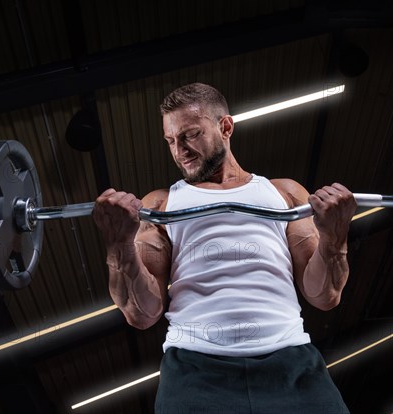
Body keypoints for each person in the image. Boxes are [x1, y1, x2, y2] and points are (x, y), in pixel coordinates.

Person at [93, 83, 356, 413]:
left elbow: (324, 296)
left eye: (190, 135)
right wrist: (119, 246)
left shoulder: (284, 194)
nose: (179, 151)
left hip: (291, 364)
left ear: (225, 127)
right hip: (194, 373)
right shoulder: (160, 204)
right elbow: (141, 313)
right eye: (171, 141)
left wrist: (334, 237)